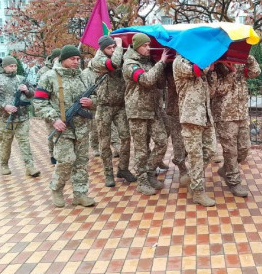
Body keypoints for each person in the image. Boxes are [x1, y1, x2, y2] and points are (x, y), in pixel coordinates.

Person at [34, 45, 96, 208]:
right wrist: (54, 119)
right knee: (66, 160)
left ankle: (80, 194)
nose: (76, 61)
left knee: (81, 162)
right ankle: (56, 189)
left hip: (82, 127)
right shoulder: (49, 77)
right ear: (63, 60)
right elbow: (39, 102)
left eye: (78, 59)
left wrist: (91, 103)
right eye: (72, 59)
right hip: (63, 128)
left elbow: (96, 98)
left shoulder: (83, 77)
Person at [122, 33, 170, 195]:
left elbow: (159, 84)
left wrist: (161, 66)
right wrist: (161, 63)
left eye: (149, 45)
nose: (148, 48)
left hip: (153, 109)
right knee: (141, 149)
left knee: (162, 141)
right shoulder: (130, 64)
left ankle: (150, 172)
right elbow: (146, 80)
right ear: (137, 47)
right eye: (145, 45)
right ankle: (142, 181)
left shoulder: (149, 61)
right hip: (137, 111)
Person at [209, 55, 261, 197]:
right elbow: (216, 91)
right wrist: (230, 72)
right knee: (230, 151)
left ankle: (226, 168)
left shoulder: (240, 61)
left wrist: (248, 58)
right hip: (224, 114)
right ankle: (234, 182)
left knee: (244, 149)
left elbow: (255, 73)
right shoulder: (217, 65)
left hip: (241, 112)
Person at [0, 56, 40, 177]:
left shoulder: (21, 79)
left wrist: (27, 90)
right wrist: (4, 105)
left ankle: (30, 166)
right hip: (5, 119)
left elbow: (32, 94)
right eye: (11, 66)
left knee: (25, 142)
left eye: (15, 66)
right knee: (6, 142)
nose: (14, 68)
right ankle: (4, 164)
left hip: (22, 117)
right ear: (4, 66)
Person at [173, 55, 217, 207]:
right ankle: (198, 191)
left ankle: (192, 176)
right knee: (195, 155)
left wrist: (212, 72)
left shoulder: (198, 62)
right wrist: (207, 62)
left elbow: (211, 92)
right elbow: (196, 71)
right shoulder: (180, 62)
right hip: (190, 117)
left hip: (205, 116)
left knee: (211, 150)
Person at [91, 36, 135, 187]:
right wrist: (119, 45)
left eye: (113, 47)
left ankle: (123, 168)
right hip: (104, 107)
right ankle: (108, 173)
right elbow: (114, 64)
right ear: (102, 49)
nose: (113, 50)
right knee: (104, 142)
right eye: (110, 48)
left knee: (126, 137)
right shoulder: (97, 60)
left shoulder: (119, 54)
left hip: (120, 105)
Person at [164, 64, 189, 183]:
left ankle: (181, 159)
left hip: (191, 109)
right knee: (178, 140)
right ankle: (182, 167)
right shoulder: (170, 67)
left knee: (191, 142)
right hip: (175, 108)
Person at [36, 48, 61, 165]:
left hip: (62, 108)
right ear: (53, 58)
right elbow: (39, 89)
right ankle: (53, 154)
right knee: (52, 133)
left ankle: (61, 154)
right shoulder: (43, 72)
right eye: (58, 58)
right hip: (49, 107)